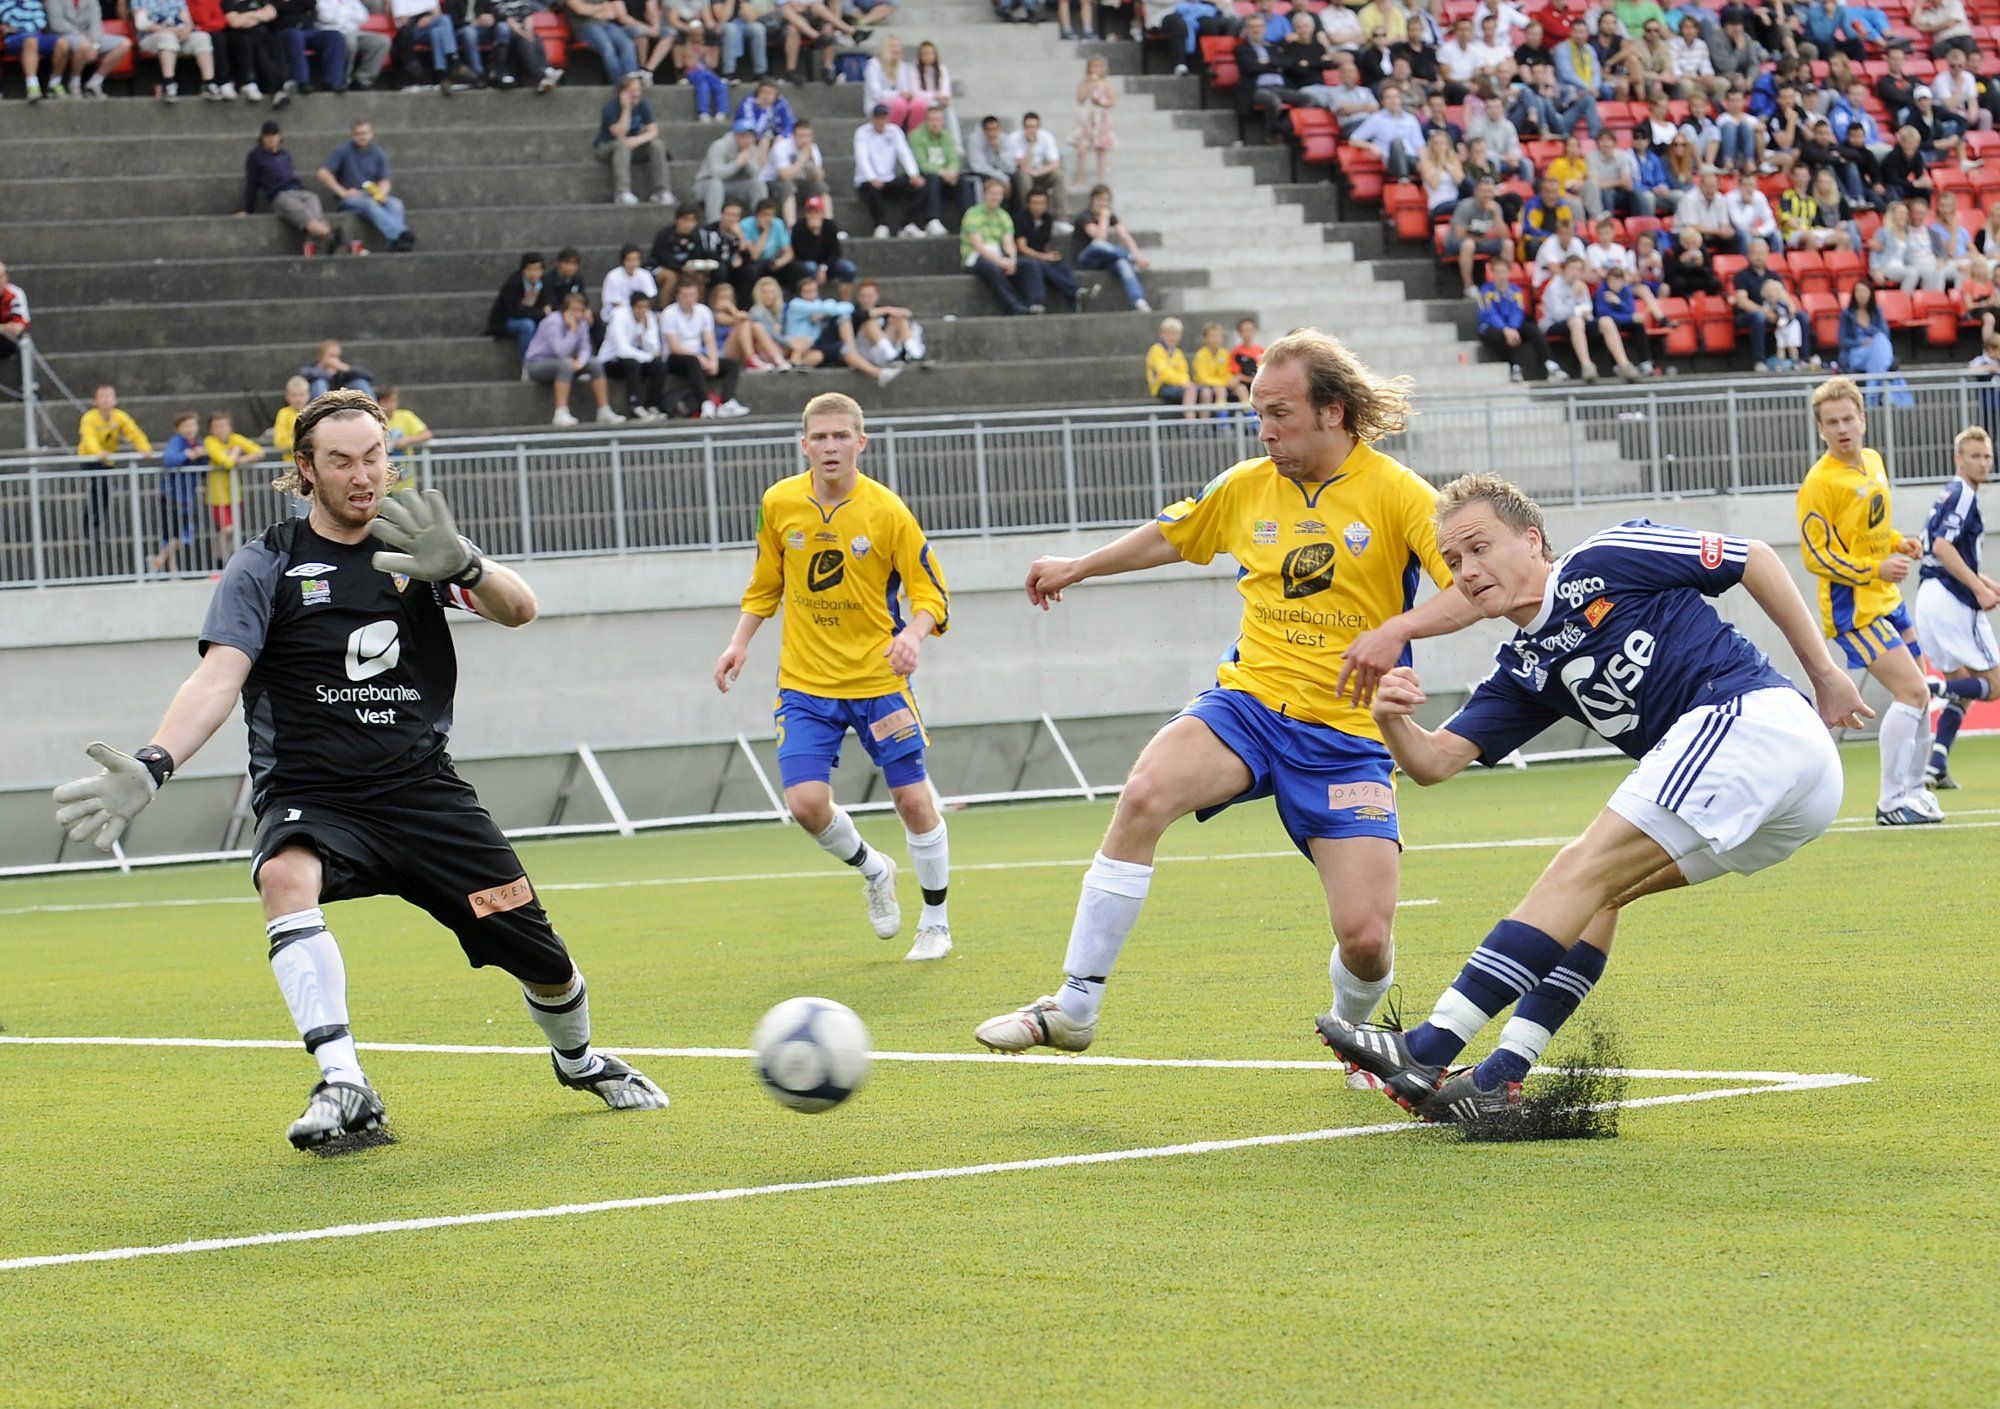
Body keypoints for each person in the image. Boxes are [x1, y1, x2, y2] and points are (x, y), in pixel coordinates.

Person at [55, 392, 672, 1148]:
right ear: (304, 469)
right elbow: (219, 677)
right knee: (283, 874)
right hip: (314, 793)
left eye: (374, 455)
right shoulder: (267, 561)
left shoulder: (416, 542)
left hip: (423, 792)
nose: (363, 474)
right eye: (341, 460)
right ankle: (343, 1081)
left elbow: (521, 610)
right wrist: (155, 761)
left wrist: (470, 566)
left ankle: (577, 1060)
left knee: (546, 964)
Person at [976, 330, 1478, 1057]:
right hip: (1248, 705)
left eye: (1280, 413)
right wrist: (1078, 566)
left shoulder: (1399, 495)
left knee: (1366, 939)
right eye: (1257, 414)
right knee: (1145, 792)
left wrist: (1393, 629)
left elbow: (1472, 587)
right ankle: (1075, 1002)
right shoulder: (1246, 485)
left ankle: (1355, 1031)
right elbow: (1173, 535)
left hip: (1346, 737)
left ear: (1333, 411)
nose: (1265, 430)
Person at [1315, 474, 1865, 1123]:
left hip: (1753, 721)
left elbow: (1756, 559)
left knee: (1580, 867)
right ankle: (1500, 1076)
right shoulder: (1520, 667)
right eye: (1454, 559)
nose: (1466, 570)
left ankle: (1430, 1047)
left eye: (1479, 546)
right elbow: (1435, 763)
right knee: (1598, 892)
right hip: (1784, 797)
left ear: (1531, 539)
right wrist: (1391, 721)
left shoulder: (1606, 558)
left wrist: (1825, 674)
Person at [712, 392, 953, 960]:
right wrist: (738, 642)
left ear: (860, 443)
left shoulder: (888, 512)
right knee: (805, 805)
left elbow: (931, 594)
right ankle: (874, 869)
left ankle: (936, 923)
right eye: (819, 437)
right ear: (804, 444)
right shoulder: (779, 504)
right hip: (805, 684)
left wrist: (912, 636)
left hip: (878, 683)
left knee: (914, 802)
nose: (829, 447)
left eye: (841, 436)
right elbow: (766, 582)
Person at [1796, 376, 1940, 825]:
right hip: (1853, 609)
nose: (1842, 429)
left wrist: (1898, 544)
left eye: (1848, 419)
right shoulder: (1819, 483)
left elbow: (1868, 530)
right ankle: (1892, 801)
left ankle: (1916, 793)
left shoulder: (1873, 461)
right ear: (1820, 429)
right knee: (1912, 690)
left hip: (1888, 598)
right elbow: (1816, 555)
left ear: (1863, 418)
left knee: (1922, 693)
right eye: (1832, 422)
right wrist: (1873, 569)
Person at [1913, 426, 2000, 787]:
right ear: (1958, 459)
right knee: (1994, 685)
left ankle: (1936, 764)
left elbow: (1945, 551)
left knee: (1961, 685)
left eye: (1987, 456)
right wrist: (1978, 590)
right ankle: (1927, 690)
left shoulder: (1949, 492)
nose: (1983, 462)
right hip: (1951, 600)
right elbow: (1943, 547)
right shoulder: (1963, 493)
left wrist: (1986, 583)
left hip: (1929, 596)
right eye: (1975, 456)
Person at [242, 121, 341, 257]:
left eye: (274, 135)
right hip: (279, 195)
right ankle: (331, 235)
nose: (271, 139)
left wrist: (301, 190)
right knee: (303, 214)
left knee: (313, 201)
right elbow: (251, 183)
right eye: (267, 136)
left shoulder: (285, 154)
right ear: (262, 138)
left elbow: (291, 176)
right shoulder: (255, 157)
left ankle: (317, 243)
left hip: (298, 191)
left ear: (279, 137)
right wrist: (248, 210)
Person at [315, 121, 414, 254]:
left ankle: (396, 242)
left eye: (365, 133)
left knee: (396, 204)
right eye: (359, 134)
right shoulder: (344, 150)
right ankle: (402, 234)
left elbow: (385, 179)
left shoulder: (378, 153)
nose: (362, 137)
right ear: (353, 135)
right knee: (370, 205)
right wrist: (342, 192)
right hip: (350, 198)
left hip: (371, 194)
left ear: (371, 134)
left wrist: (381, 194)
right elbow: (322, 173)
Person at [526, 293, 620, 427]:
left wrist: (580, 362)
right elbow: (560, 351)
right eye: (574, 310)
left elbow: (585, 347)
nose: (578, 314)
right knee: (565, 365)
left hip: (568, 362)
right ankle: (560, 412)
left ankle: (604, 410)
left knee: (594, 364)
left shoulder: (582, 323)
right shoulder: (553, 321)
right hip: (538, 363)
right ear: (565, 310)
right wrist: (572, 331)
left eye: (581, 310)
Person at [662, 276, 749, 417]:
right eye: (685, 296)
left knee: (732, 364)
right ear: (678, 296)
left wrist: (713, 360)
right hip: (676, 358)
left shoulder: (703, 311)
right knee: (693, 361)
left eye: (691, 295)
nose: (688, 299)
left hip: (698, 356)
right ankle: (705, 402)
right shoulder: (669, 313)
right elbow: (674, 346)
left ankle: (727, 402)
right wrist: (699, 356)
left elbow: (710, 340)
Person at [1477, 249, 1565, 383]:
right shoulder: (1485, 291)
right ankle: (1514, 367)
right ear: (1492, 273)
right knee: (1496, 335)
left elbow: (1517, 311)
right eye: (1497, 272)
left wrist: (1512, 328)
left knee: (1533, 330)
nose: (1501, 275)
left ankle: (1550, 364)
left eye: (1504, 272)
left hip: (1512, 327)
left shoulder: (1515, 291)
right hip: (1492, 328)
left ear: (1509, 273)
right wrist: (1505, 329)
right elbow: (1489, 314)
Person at [596, 71, 672, 207]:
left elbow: (653, 131)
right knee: (621, 145)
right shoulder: (610, 108)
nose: (636, 94)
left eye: (638, 90)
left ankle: (662, 191)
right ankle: (622, 192)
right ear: (622, 92)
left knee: (657, 145)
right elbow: (619, 134)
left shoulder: (644, 105)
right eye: (632, 91)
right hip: (607, 146)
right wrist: (626, 109)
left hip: (631, 145)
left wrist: (638, 140)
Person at [853, 104, 927, 238]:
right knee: (871, 189)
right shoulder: (862, 133)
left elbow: (905, 154)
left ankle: (907, 224)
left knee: (919, 186)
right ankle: (880, 225)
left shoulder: (895, 131)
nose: (881, 121)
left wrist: (913, 174)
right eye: (878, 118)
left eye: (883, 117)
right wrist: (872, 177)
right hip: (867, 180)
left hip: (889, 179)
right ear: (872, 119)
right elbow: (862, 158)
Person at [1074, 184, 1149, 311]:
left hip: (1103, 261)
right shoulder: (1085, 216)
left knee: (1122, 262)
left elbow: (1126, 237)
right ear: (1092, 200)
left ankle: (1139, 300)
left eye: (1106, 200)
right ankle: (1129, 256)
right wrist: (1104, 217)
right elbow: (1099, 238)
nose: (1103, 203)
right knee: (1098, 245)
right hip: (1085, 259)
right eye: (1100, 199)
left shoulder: (1111, 217)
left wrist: (1138, 255)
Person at [152, 412, 209, 575]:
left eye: (193, 425)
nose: (190, 429)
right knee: (177, 534)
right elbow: (169, 460)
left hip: (186, 497)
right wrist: (187, 454)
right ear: (178, 429)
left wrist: (202, 455)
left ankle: (170, 569)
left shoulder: (198, 442)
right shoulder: (177, 442)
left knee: (176, 535)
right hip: (171, 496)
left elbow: (203, 469)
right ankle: (159, 561)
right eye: (186, 426)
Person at [600, 287, 670, 419]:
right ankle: (635, 406)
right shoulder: (619, 318)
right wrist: (648, 356)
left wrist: (645, 330)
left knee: (659, 365)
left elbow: (654, 348)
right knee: (633, 363)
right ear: (632, 307)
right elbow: (623, 351)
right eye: (639, 307)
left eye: (645, 307)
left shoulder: (649, 318)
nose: (643, 311)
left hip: (638, 359)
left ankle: (652, 405)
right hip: (611, 361)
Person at [461, 0, 561, 89]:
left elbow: (527, 14)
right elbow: (507, 19)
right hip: (509, 31)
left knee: (536, 37)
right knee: (520, 38)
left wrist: (528, 31)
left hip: (520, 29)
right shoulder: (496, 3)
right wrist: (523, 33)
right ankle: (540, 75)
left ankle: (545, 68)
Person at [131, 0, 220, 100]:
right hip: (150, 38)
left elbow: (188, 21)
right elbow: (141, 23)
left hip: (178, 35)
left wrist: (186, 30)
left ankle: (208, 84)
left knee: (202, 37)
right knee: (167, 37)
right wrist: (169, 31)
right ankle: (168, 84)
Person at [1015, 188, 1085, 313]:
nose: (1038, 207)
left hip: (1041, 255)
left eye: (1041, 203)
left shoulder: (1047, 219)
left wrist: (1050, 255)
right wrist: (1043, 256)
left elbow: (1046, 242)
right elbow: (1021, 247)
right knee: (1042, 265)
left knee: (1061, 264)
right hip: (1024, 257)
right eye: (1034, 203)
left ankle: (1074, 301)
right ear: (1028, 204)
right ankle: (1074, 291)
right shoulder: (1021, 218)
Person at [202, 411, 262, 557]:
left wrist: (242, 460)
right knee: (227, 528)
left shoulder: (235, 439)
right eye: (217, 427)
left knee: (233, 530)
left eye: (224, 426)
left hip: (235, 494)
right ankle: (219, 557)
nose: (221, 430)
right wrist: (235, 453)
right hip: (218, 495)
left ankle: (226, 559)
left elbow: (258, 451)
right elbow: (226, 462)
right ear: (211, 429)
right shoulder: (210, 442)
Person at [45, 0, 133, 98]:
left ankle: (94, 83)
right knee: (84, 45)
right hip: (64, 35)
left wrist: (95, 43)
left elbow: (96, 23)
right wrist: (83, 38)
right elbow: (57, 24)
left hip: (88, 36)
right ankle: (74, 84)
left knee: (124, 43)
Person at [909, 104, 969, 235]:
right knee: (933, 178)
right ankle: (932, 220)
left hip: (946, 177)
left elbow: (953, 160)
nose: (935, 123)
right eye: (932, 120)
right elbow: (921, 163)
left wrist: (952, 172)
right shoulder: (916, 136)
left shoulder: (947, 136)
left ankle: (968, 219)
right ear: (926, 121)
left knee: (963, 180)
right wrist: (942, 172)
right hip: (925, 176)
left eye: (938, 120)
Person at [1002, 111, 1067, 224]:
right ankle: (1029, 216)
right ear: (1023, 127)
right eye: (1028, 127)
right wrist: (1031, 145)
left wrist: (1037, 172)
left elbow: (1055, 162)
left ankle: (1060, 217)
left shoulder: (1046, 136)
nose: (1031, 130)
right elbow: (1021, 164)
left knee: (1058, 175)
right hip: (1022, 173)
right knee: (1024, 177)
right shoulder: (1014, 138)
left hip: (1039, 171)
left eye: (1034, 127)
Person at [1350, 84, 1425, 180]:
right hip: (1392, 162)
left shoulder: (1411, 119)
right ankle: (1403, 177)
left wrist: (1426, 161)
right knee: (1397, 142)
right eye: (1388, 98)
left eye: (1396, 97)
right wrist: (1371, 146)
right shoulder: (1376, 119)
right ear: (1383, 102)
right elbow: (1354, 139)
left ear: (1401, 99)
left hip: (1413, 159)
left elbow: (1420, 144)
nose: (1393, 100)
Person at [487, 252, 556, 357]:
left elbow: (550, 300)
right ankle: (528, 364)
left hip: (534, 316)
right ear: (524, 270)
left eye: (537, 269)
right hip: (507, 320)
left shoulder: (545, 282)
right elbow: (516, 311)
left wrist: (548, 307)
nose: (534, 273)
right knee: (527, 325)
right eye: (530, 269)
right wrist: (542, 312)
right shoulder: (512, 284)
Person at [1450, 176, 1512, 291]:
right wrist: (1481, 240)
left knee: (1508, 244)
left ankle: (1503, 285)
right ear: (1476, 192)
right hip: (1456, 242)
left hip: (1481, 241)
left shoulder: (1495, 207)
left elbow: (1504, 235)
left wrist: (1496, 215)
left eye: (1490, 192)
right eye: (1483, 191)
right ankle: (1468, 287)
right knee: (1468, 245)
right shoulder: (1465, 206)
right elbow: (1459, 235)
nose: (1486, 195)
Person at [765, 117, 829, 225]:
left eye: (808, 136)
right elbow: (784, 176)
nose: (805, 139)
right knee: (788, 187)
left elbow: (819, 176)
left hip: (799, 182)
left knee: (820, 187)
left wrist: (812, 162)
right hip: (773, 182)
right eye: (801, 136)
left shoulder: (813, 148)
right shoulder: (781, 147)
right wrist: (802, 159)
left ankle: (828, 224)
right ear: (793, 136)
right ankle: (792, 228)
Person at [317, 0, 390, 90]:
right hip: (332, 33)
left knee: (382, 41)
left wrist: (342, 15)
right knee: (350, 42)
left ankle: (363, 80)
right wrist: (350, 16)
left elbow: (363, 17)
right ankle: (343, 80)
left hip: (354, 32)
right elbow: (325, 17)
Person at [563, 0, 639, 80]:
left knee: (627, 43)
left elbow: (611, 13)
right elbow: (580, 10)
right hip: (585, 27)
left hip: (605, 24)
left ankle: (631, 76)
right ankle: (620, 81)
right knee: (607, 47)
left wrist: (592, 11)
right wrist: (602, 7)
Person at [1144, 315, 1196, 416]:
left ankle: (1205, 423)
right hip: (1161, 387)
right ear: (1162, 334)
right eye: (1168, 334)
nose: (1172, 338)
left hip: (1178, 385)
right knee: (1191, 389)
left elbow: (1184, 372)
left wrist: (1184, 381)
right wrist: (1182, 382)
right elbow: (1163, 373)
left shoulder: (1178, 353)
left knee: (1205, 391)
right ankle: (1191, 424)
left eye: (1175, 334)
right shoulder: (1156, 350)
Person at [376, 386, 432, 463]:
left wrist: (407, 440)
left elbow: (426, 434)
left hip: (405, 472)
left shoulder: (406, 416)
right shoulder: (372, 420)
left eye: (393, 401)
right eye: (386, 401)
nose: (390, 405)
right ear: (378, 402)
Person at [271, 374, 311, 451]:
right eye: (294, 395)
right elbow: (279, 441)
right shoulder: (283, 413)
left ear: (308, 395)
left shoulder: (313, 413)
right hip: (290, 461)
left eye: (301, 395)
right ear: (287, 397)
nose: (298, 399)